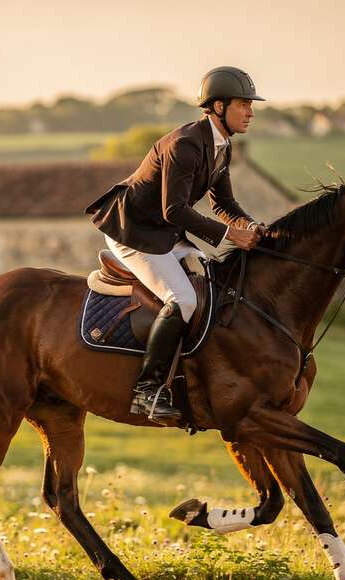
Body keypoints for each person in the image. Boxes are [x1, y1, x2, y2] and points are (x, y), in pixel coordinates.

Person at [85, 66, 265, 423]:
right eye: (243, 104)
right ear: (217, 106)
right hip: (133, 231)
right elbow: (174, 209)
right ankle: (147, 391)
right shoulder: (185, 145)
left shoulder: (221, 145)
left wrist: (253, 227)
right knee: (182, 299)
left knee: (210, 282)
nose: (251, 112)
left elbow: (223, 204)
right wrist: (230, 235)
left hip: (164, 234)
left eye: (250, 105)